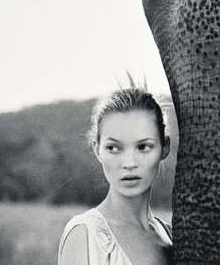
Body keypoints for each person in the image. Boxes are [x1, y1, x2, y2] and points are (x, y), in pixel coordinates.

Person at [58, 83, 173, 265]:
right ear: (97, 150)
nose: (129, 163)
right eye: (113, 148)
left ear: (164, 147)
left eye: (143, 147)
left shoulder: (171, 236)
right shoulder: (84, 235)